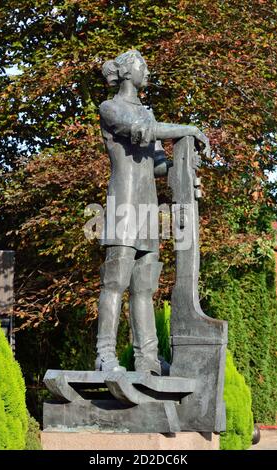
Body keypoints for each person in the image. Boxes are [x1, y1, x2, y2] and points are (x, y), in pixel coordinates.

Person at [96, 50, 209, 375]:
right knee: (115, 281)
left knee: (145, 286)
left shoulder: (148, 112)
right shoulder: (111, 108)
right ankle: (105, 355)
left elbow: (158, 165)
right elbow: (145, 131)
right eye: (143, 65)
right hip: (123, 204)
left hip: (147, 208)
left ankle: (147, 359)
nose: (147, 70)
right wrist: (188, 129)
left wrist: (182, 166)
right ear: (129, 71)